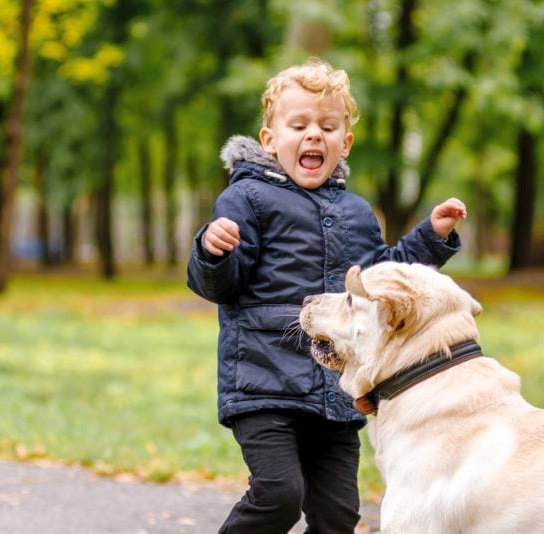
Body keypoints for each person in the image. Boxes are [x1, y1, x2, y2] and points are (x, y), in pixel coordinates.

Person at [186, 58, 467, 534]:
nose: (314, 135)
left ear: (345, 143)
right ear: (271, 141)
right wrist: (212, 253)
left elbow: (381, 279)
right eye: (299, 125)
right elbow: (222, 288)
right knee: (279, 495)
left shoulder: (357, 211)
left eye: (328, 126)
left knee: (338, 515)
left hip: (337, 391)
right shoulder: (247, 199)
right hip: (264, 385)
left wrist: (431, 237)